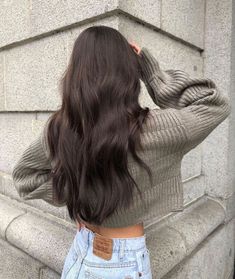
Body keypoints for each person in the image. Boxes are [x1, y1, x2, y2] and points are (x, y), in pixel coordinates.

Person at [11, 25, 231, 278]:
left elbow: (24, 177)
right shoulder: (159, 128)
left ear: (76, 73)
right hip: (121, 263)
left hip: (80, 253)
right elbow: (215, 104)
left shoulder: (62, 128)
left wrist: (79, 193)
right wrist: (152, 74)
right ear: (128, 71)